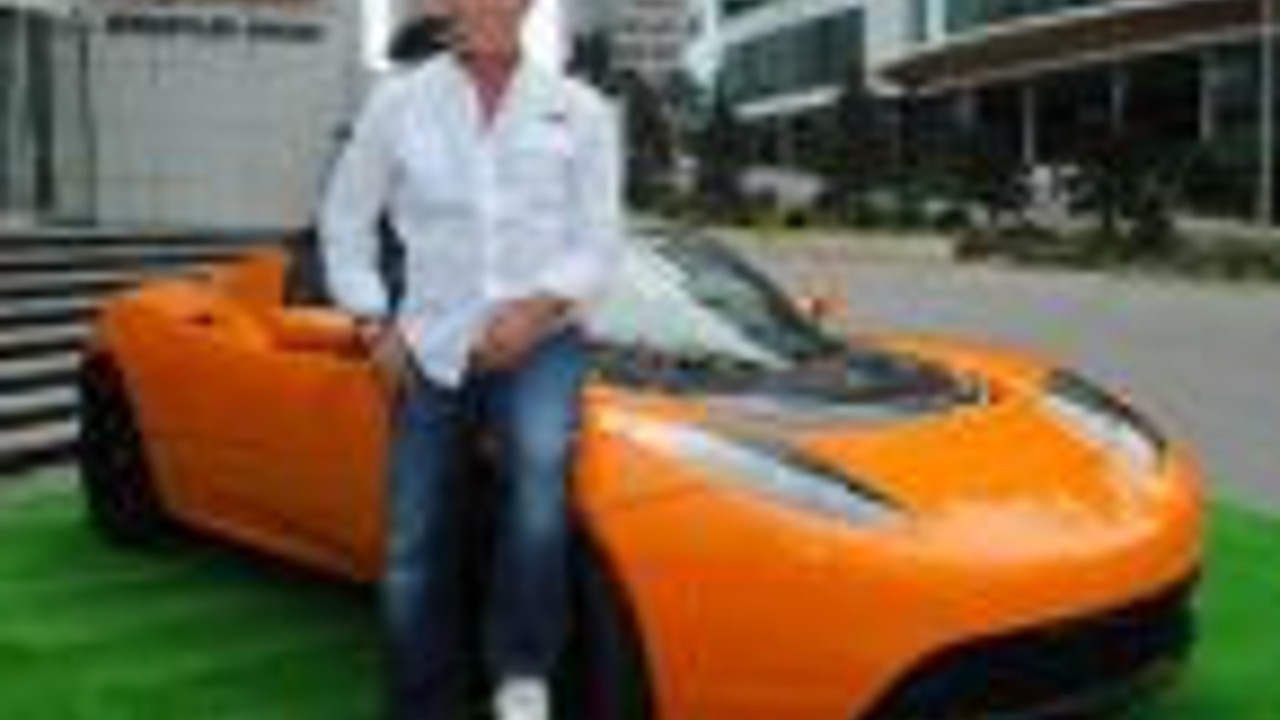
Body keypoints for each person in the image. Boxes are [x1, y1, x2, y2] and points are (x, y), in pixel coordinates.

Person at [316, 0, 625, 718]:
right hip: (429, 344)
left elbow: (599, 239)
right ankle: (421, 700)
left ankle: (521, 672)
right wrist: (372, 321)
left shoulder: (579, 109)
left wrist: (537, 310)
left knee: (538, 483)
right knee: (414, 537)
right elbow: (344, 218)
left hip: (543, 337)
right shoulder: (397, 104)